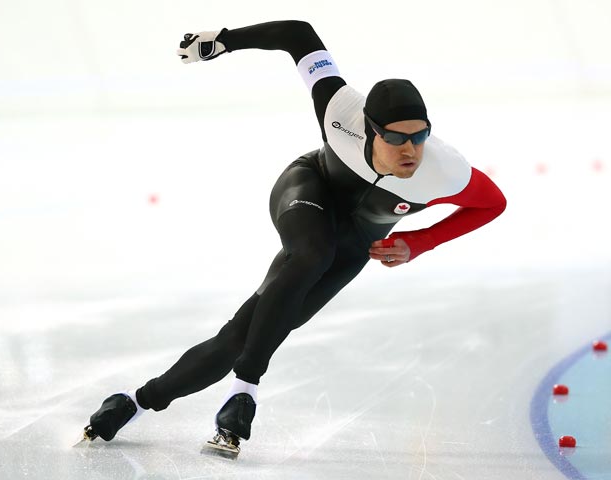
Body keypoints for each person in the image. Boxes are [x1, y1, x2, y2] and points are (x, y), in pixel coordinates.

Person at [82, 20, 507, 456]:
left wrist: (419, 242)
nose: (410, 150)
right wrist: (224, 41)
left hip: (354, 244)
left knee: (247, 333)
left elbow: (493, 204)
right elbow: (298, 35)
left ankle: (135, 402)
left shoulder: (446, 170)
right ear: (370, 127)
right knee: (311, 252)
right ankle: (245, 389)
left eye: (419, 136)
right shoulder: (341, 110)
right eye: (396, 137)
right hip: (308, 190)